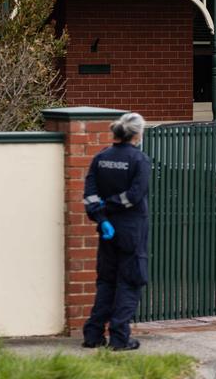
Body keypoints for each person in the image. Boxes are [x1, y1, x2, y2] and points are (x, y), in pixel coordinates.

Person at [81, 112, 151, 351]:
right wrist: (110, 205)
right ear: (137, 133)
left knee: (107, 282)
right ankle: (120, 338)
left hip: (107, 230)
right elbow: (134, 195)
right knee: (130, 281)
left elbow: (90, 195)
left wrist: (101, 217)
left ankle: (93, 334)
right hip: (131, 230)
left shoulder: (101, 157)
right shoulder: (139, 160)